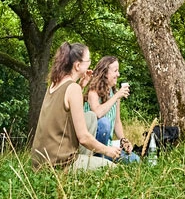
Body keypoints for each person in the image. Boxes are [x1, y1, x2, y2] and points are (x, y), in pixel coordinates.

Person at [31, 42, 123, 171]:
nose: (90, 64)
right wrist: (107, 150)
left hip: (39, 161)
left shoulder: (55, 83)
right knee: (112, 168)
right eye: (88, 61)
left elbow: (65, 112)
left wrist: (82, 85)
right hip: (59, 164)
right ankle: (76, 167)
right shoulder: (72, 88)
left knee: (90, 117)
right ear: (78, 65)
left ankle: (81, 161)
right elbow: (84, 137)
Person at [85, 55, 140, 163]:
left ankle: (106, 159)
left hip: (108, 146)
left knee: (135, 160)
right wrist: (116, 97)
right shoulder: (93, 91)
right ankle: (99, 160)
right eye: (115, 71)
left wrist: (123, 140)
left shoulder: (115, 93)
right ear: (105, 73)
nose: (118, 74)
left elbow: (117, 122)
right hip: (91, 146)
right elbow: (97, 113)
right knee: (104, 123)